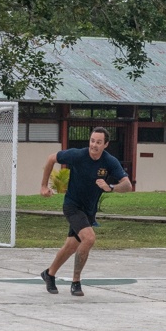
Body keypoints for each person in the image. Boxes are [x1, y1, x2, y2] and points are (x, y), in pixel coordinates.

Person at [39, 127, 132, 297]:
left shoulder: (109, 161)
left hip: (89, 210)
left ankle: (49, 274)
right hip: (72, 205)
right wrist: (44, 186)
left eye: (98, 142)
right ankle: (76, 281)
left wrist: (110, 187)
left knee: (71, 246)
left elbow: (127, 185)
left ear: (106, 144)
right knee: (88, 238)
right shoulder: (78, 155)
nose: (94, 145)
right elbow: (51, 158)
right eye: (92, 141)